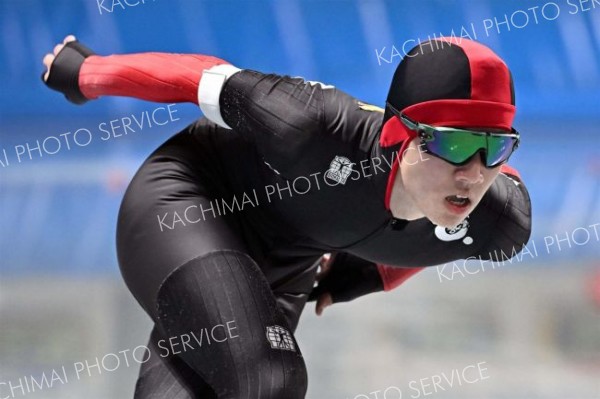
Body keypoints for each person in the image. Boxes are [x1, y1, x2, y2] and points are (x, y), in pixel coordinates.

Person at [42, 34, 531, 399]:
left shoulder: (497, 221)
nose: (472, 174)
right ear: (396, 134)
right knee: (268, 379)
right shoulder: (312, 125)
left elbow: (433, 241)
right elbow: (198, 76)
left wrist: (371, 272)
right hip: (190, 202)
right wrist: (86, 73)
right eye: (454, 143)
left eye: (493, 148)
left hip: (287, 263)